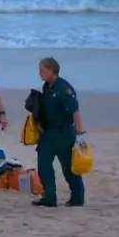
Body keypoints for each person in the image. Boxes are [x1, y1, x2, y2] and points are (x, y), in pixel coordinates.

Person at [34, 57, 86, 208]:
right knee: (43, 164)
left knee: (69, 167)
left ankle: (77, 197)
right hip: (48, 132)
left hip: (64, 133)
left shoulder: (64, 88)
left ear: (51, 70)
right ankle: (49, 197)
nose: (40, 73)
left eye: (42, 70)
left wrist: (79, 133)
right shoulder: (46, 87)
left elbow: (75, 110)